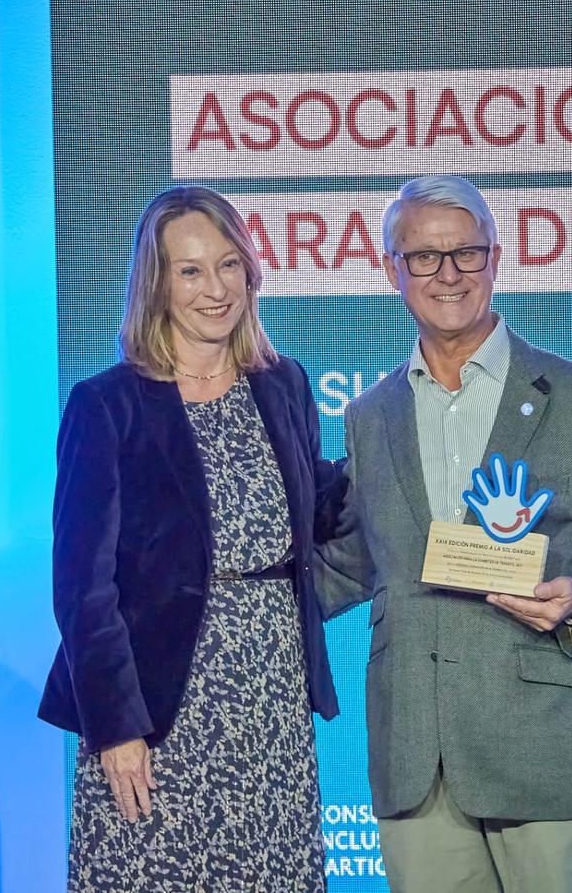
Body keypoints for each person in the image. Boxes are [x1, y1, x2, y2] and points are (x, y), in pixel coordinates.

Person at [316, 175, 572, 892]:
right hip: (417, 759)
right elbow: (364, 558)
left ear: (497, 258)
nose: (447, 274)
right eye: (423, 256)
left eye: (467, 254)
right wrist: (229, 601)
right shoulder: (369, 415)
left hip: (549, 748)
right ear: (391, 269)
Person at [38, 185, 342, 892]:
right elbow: (83, 590)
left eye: (229, 265)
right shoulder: (106, 404)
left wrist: (412, 456)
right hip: (156, 707)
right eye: (191, 271)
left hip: (267, 697)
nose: (216, 289)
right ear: (157, 284)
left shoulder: (283, 384)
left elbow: (313, 510)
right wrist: (115, 729)